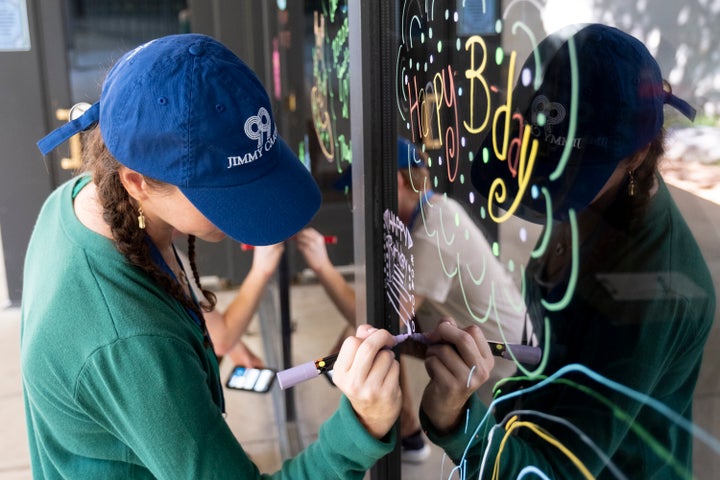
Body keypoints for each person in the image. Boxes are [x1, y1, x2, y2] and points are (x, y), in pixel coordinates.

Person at [22, 34, 401, 479]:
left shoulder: (78, 202)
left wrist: (201, 344)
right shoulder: (134, 342)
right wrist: (361, 427)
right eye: (222, 195)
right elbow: (134, 349)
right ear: (138, 182)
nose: (249, 209)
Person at [417, 24, 715, 478]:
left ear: (636, 156)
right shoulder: (600, 200)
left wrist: (457, 420)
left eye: (566, 175)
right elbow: (557, 354)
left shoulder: (649, 294)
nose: (549, 201)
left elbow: (558, 471)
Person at [296, 140, 527, 462]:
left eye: (361, 189)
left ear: (397, 182)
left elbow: (380, 319)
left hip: (501, 363)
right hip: (468, 341)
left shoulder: (434, 230)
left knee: (379, 334)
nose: (355, 201)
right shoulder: (424, 215)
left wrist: (321, 266)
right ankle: (409, 434)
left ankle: (407, 434)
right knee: (381, 338)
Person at [176, 238, 285, 368]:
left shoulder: (162, 247)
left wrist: (234, 345)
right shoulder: (166, 259)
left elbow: (202, 320)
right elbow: (220, 341)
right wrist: (261, 270)